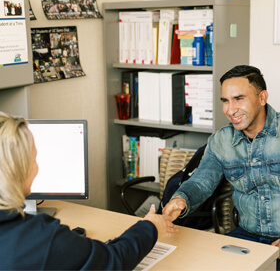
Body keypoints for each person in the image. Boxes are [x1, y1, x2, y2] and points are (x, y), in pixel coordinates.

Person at [0, 112, 178, 270]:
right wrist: (151, 226)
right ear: (18, 170)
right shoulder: (41, 239)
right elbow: (113, 261)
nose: (37, 167)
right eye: (34, 159)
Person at [162, 65, 280, 269]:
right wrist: (180, 199)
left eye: (239, 99)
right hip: (246, 237)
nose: (230, 110)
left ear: (262, 98)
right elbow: (201, 182)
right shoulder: (221, 141)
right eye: (225, 101)